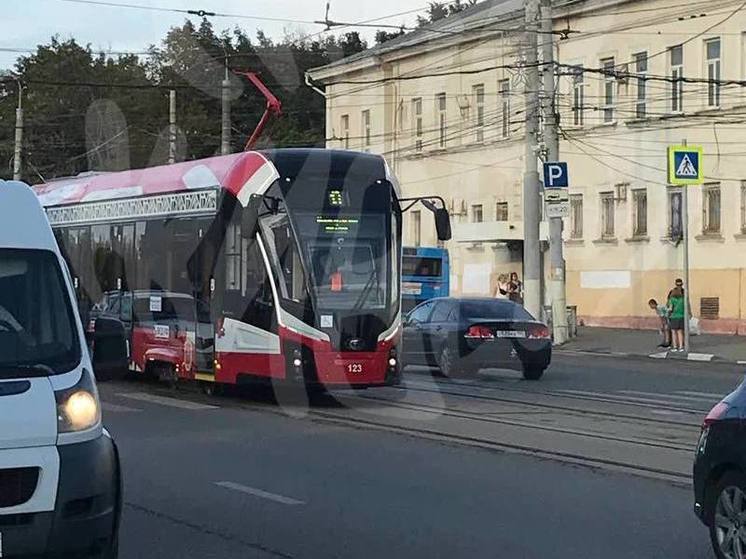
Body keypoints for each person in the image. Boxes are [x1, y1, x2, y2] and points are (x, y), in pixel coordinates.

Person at [667, 287, 686, 352]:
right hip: (681, 316)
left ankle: (675, 347)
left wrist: (668, 313)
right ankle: (681, 347)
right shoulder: (683, 299)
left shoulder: (671, 299)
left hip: (674, 317)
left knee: (673, 332)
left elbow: (670, 308)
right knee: (680, 332)